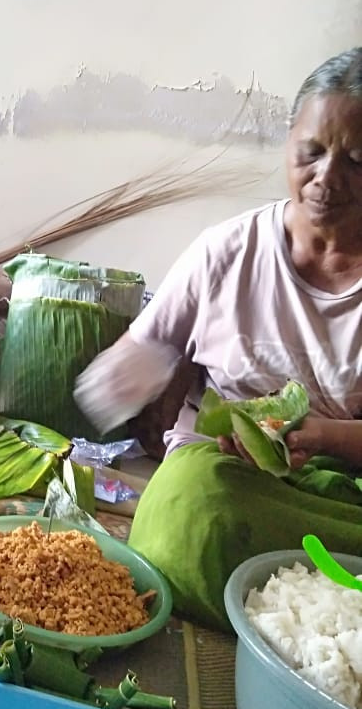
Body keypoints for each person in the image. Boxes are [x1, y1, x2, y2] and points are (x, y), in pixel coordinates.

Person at [75, 47, 362, 630]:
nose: (326, 178)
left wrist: (324, 436)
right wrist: (126, 375)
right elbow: (139, 355)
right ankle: (306, 623)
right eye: (311, 152)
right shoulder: (227, 252)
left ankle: (303, 619)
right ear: (288, 142)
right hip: (228, 479)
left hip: (342, 497)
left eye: (357, 161)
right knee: (189, 505)